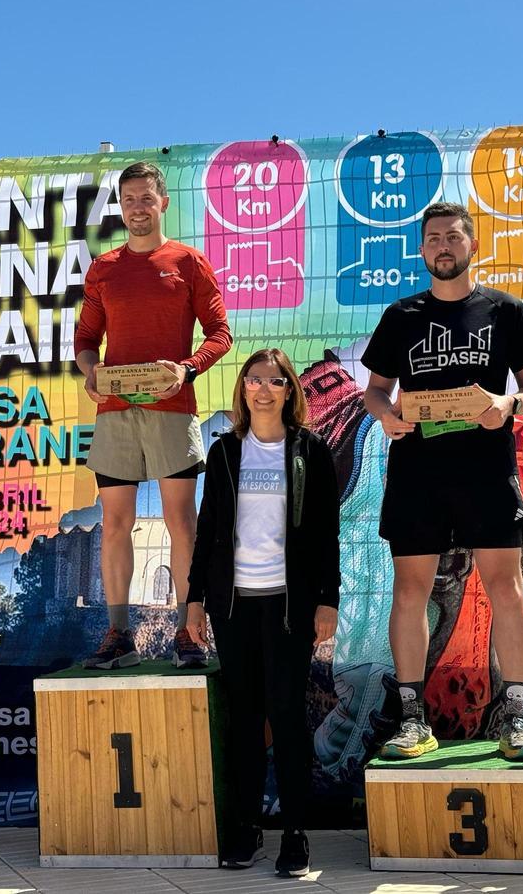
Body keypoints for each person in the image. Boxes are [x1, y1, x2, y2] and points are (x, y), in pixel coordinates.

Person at [360, 201, 523, 760]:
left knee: (507, 591)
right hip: (419, 476)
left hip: (488, 474)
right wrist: (386, 415)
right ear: (422, 251)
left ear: (473, 245)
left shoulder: (505, 311)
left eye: (453, 237)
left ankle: (515, 715)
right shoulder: (401, 317)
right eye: (433, 238)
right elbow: (374, 390)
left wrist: (507, 401)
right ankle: (413, 718)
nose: (443, 246)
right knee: (410, 593)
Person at [184, 348, 340, 877]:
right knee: (246, 720)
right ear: (243, 389)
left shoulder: (310, 451)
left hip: (290, 608)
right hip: (234, 607)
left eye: (275, 380)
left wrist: (329, 599)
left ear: (290, 390)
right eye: (255, 380)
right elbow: (207, 531)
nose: (264, 389)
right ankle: (246, 828)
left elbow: (325, 535)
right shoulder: (226, 452)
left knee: (287, 716)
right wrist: (195, 599)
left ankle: (295, 834)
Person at [75, 161, 232, 669]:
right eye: (129, 200)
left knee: (181, 524)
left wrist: (187, 369)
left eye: (147, 198)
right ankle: (118, 631)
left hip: (171, 409)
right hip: (116, 413)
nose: (138, 208)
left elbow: (219, 335)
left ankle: (190, 633)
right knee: (115, 523)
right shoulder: (104, 267)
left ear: (163, 203)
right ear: (120, 207)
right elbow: (83, 341)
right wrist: (90, 372)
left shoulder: (188, 261)